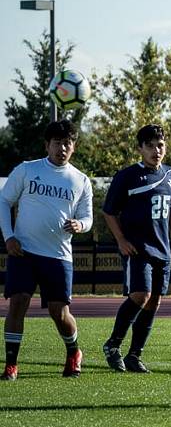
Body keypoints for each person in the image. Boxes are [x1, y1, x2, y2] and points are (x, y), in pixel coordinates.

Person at [1, 119, 93, 381]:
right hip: (24, 252)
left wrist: (80, 224)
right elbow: (3, 200)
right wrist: (9, 237)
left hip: (58, 255)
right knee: (18, 303)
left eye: (68, 143)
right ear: (47, 145)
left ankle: (74, 352)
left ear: (73, 147)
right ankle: (11, 365)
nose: (62, 148)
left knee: (58, 312)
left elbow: (88, 219)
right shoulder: (27, 170)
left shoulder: (80, 180)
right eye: (57, 143)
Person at [101, 124, 171, 374]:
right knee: (140, 295)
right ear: (140, 149)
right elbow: (109, 211)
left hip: (163, 248)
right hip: (138, 248)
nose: (156, 151)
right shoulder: (127, 176)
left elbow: (168, 207)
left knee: (154, 302)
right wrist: (121, 240)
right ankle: (112, 346)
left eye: (160, 145)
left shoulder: (170, 174)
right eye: (150, 146)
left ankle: (134, 355)